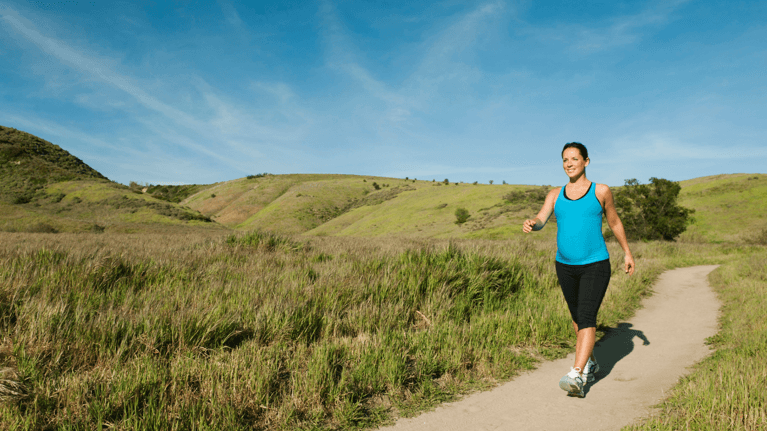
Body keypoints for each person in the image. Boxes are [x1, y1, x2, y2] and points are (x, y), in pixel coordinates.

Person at [522, 142, 635, 398]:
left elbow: (614, 221)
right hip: (565, 265)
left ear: (586, 161)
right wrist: (533, 223)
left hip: (595, 264)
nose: (569, 164)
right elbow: (542, 219)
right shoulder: (555, 194)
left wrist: (627, 252)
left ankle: (576, 373)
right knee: (577, 319)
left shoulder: (601, 191)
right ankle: (591, 363)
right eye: (565, 160)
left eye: (574, 158)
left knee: (586, 316)